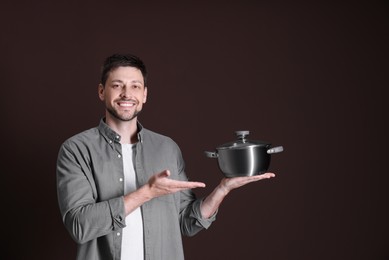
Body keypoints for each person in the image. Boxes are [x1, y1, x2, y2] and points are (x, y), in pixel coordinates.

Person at [56, 54, 275, 260]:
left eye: (135, 86)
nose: (126, 94)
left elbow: (187, 222)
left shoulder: (166, 148)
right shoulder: (76, 149)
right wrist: (146, 193)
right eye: (117, 85)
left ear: (144, 95)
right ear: (102, 92)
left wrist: (223, 189)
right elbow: (80, 225)